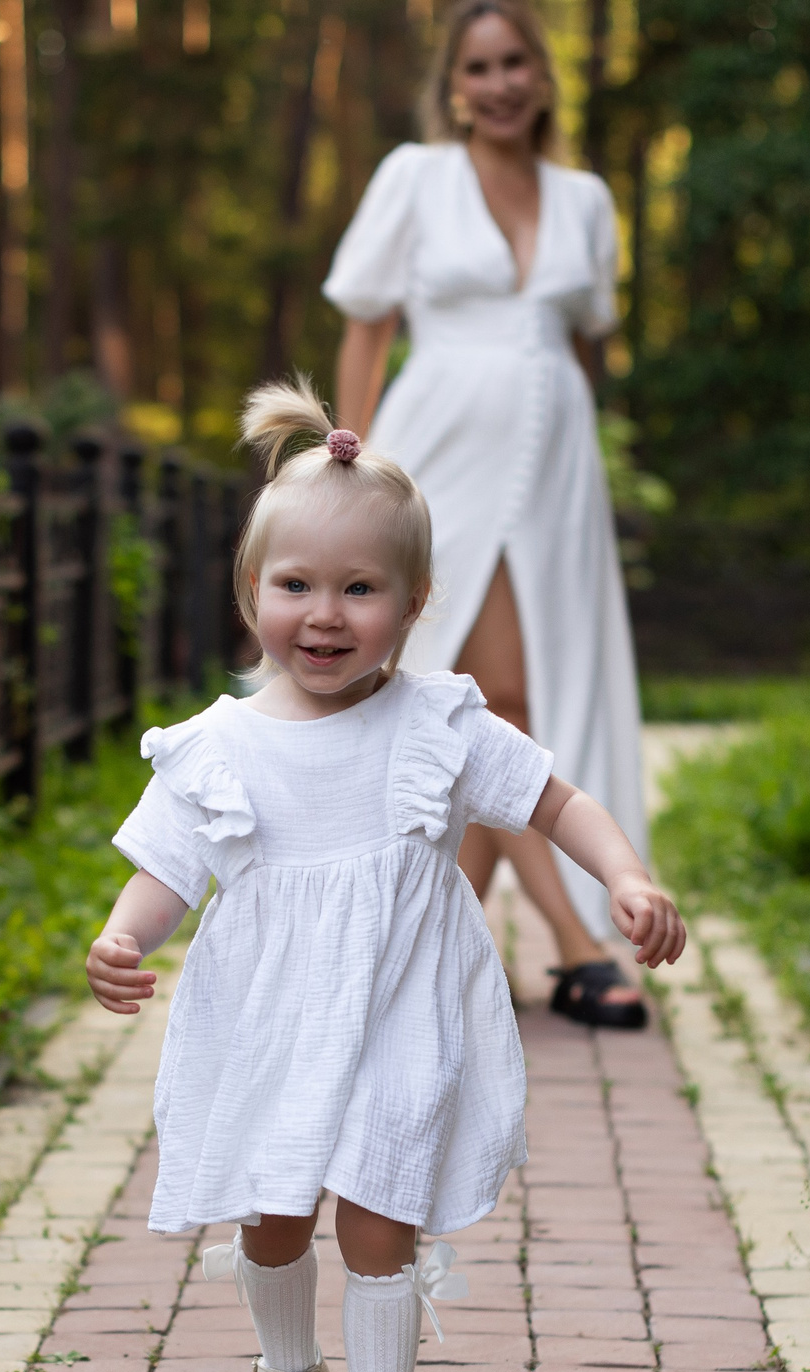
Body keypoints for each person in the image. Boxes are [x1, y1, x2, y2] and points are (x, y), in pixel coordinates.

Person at [84, 379, 684, 1372]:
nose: (324, 613)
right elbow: (165, 869)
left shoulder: (438, 722)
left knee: (377, 1212)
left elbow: (555, 803)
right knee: (269, 1216)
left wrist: (625, 875)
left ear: (412, 605)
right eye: (296, 585)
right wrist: (122, 936)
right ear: (250, 591)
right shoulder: (218, 746)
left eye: (359, 589)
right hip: (271, 1023)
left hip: (402, 1014)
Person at [324, 0, 652, 1028]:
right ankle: (573, 938)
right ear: (454, 84)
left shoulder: (586, 198)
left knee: (520, 685)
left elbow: (580, 330)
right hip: (435, 449)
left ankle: (439, 944)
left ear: (542, 76)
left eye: (517, 62)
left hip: (553, 469)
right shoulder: (412, 177)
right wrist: (347, 462)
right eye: (480, 65)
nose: (501, 81)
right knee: (472, 687)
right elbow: (367, 330)